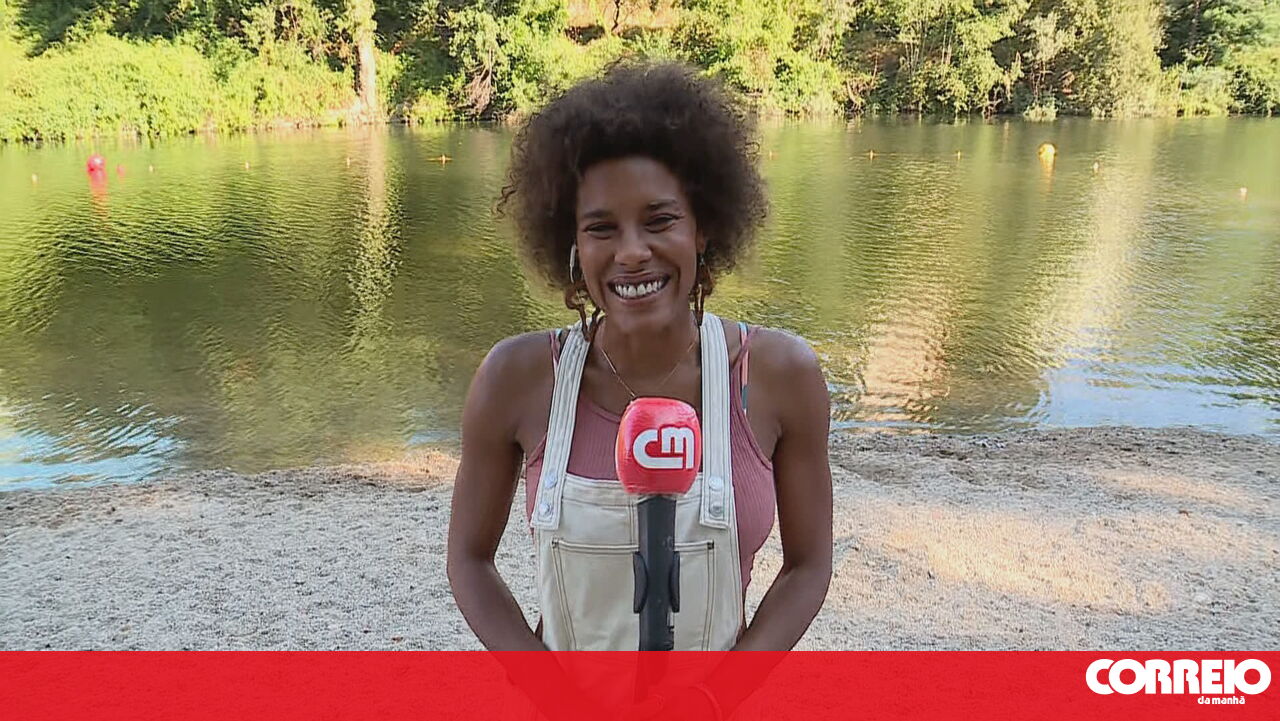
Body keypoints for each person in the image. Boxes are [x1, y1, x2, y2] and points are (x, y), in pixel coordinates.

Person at [446, 61, 832, 660]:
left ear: (703, 229)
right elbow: (469, 560)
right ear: (572, 246)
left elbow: (808, 566)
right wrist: (542, 686)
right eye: (601, 228)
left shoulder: (779, 376)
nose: (631, 253)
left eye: (660, 221)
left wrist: (725, 693)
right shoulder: (516, 379)